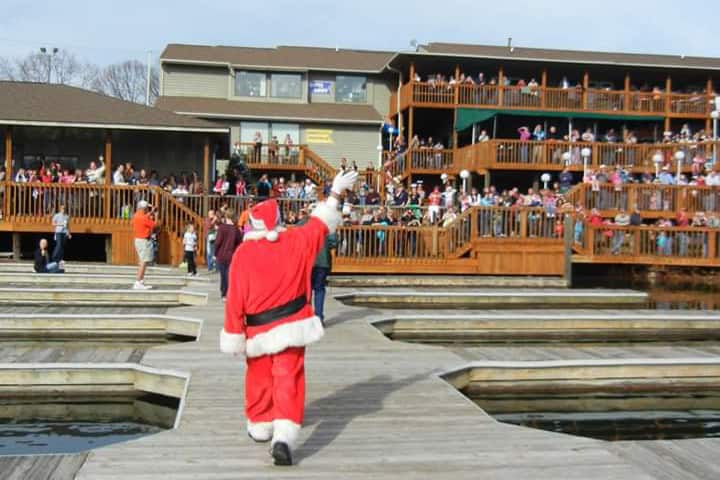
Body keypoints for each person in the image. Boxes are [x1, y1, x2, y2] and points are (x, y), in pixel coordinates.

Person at [220, 169, 358, 466]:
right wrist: (335, 192)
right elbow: (321, 223)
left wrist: (234, 332)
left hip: (257, 331)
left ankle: (260, 425)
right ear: (279, 221)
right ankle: (283, 436)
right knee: (289, 379)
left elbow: (234, 301)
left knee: (258, 379)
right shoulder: (297, 241)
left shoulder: (244, 255)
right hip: (294, 325)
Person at [214, 209, 243, 301]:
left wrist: (215, 253)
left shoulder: (221, 228)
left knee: (223, 276)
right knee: (230, 276)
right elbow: (240, 244)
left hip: (221, 255)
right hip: (232, 256)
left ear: (226, 217)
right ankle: (229, 293)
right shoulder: (236, 230)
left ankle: (224, 294)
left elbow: (217, 242)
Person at [132, 200, 156, 290]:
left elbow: (144, 217)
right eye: (147, 208)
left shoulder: (136, 215)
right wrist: (155, 215)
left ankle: (140, 281)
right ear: (144, 208)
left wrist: (151, 212)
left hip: (138, 240)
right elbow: (154, 225)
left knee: (142, 261)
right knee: (143, 262)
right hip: (144, 241)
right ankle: (138, 282)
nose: (148, 210)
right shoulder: (144, 218)